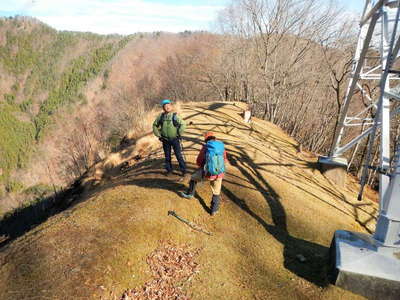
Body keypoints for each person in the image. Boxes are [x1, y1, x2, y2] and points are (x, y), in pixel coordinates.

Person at [180, 132, 227, 216]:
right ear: (214, 138)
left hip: (208, 173)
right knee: (216, 191)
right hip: (219, 173)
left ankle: (190, 194)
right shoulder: (221, 146)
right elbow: (224, 160)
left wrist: (202, 166)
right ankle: (214, 210)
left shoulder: (206, 147)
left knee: (193, 178)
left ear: (206, 139)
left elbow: (199, 161)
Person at [153, 99, 187, 177]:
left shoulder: (175, 116)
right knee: (167, 156)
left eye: (168, 106)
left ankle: (184, 171)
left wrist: (179, 133)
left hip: (175, 139)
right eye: (165, 106)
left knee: (178, 155)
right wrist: (159, 135)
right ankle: (169, 171)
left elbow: (183, 124)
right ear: (163, 108)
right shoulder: (161, 116)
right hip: (165, 140)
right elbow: (155, 125)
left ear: (171, 106)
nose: (167, 107)